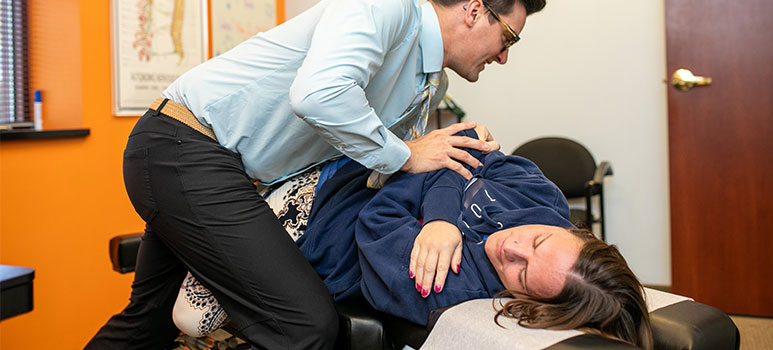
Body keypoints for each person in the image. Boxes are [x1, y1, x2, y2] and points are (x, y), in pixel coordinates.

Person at [88, 0, 545, 348]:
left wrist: (452, 165)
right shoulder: (385, 9)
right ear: (473, 9)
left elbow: (389, 168)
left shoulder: (430, 82)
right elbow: (317, 96)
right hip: (183, 146)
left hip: (220, 170)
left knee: (145, 321)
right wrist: (406, 153)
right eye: (509, 37)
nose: (504, 57)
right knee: (306, 326)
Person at [174, 129, 653, 349]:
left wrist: (435, 172)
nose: (512, 246)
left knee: (189, 320)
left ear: (526, 300)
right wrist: (440, 219)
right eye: (539, 242)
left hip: (315, 222)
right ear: (573, 231)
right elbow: (463, 149)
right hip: (353, 168)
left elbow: (378, 223)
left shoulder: (454, 288)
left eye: (522, 272)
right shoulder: (543, 199)